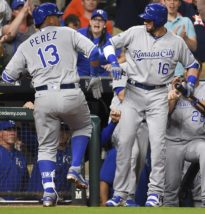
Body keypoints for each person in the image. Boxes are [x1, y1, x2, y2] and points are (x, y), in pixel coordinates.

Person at [1, 2, 121, 207]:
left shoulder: (27, 44)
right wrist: (112, 58)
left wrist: (32, 70)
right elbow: (95, 55)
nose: (59, 17)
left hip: (43, 97)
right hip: (69, 92)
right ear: (48, 19)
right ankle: (75, 167)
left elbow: (7, 77)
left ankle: (48, 192)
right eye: (56, 15)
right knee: (83, 126)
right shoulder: (67, 32)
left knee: (46, 146)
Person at [103, 3, 199, 207]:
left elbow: (193, 64)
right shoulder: (135, 32)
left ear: (160, 20)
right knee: (125, 143)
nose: (145, 21)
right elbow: (108, 44)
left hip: (158, 94)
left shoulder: (175, 42)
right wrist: (113, 61)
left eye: (149, 19)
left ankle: (155, 193)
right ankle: (119, 193)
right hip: (133, 92)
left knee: (158, 144)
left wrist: (190, 83)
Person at [164, 69, 205, 207]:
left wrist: (191, 97)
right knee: (170, 191)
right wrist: (173, 95)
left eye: (192, 70)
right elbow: (164, 114)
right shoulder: (173, 87)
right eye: (186, 69)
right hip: (173, 142)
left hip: (195, 141)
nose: (188, 73)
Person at [164, 0, 197, 77]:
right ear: (164, 2)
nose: (172, 2)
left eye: (175, 0)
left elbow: (194, 47)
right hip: (162, 76)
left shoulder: (186, 21)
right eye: (169, 0)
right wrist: (173, 39)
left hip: (181, 74)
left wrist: (185, 38)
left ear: (179, 3)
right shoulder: (159, 22)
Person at [0, 120, 29, 200]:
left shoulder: (20, 156)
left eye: (14, 130)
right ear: (0, 133)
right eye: (8, 130)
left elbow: (25, 182)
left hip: (16, 202)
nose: (12, 133)